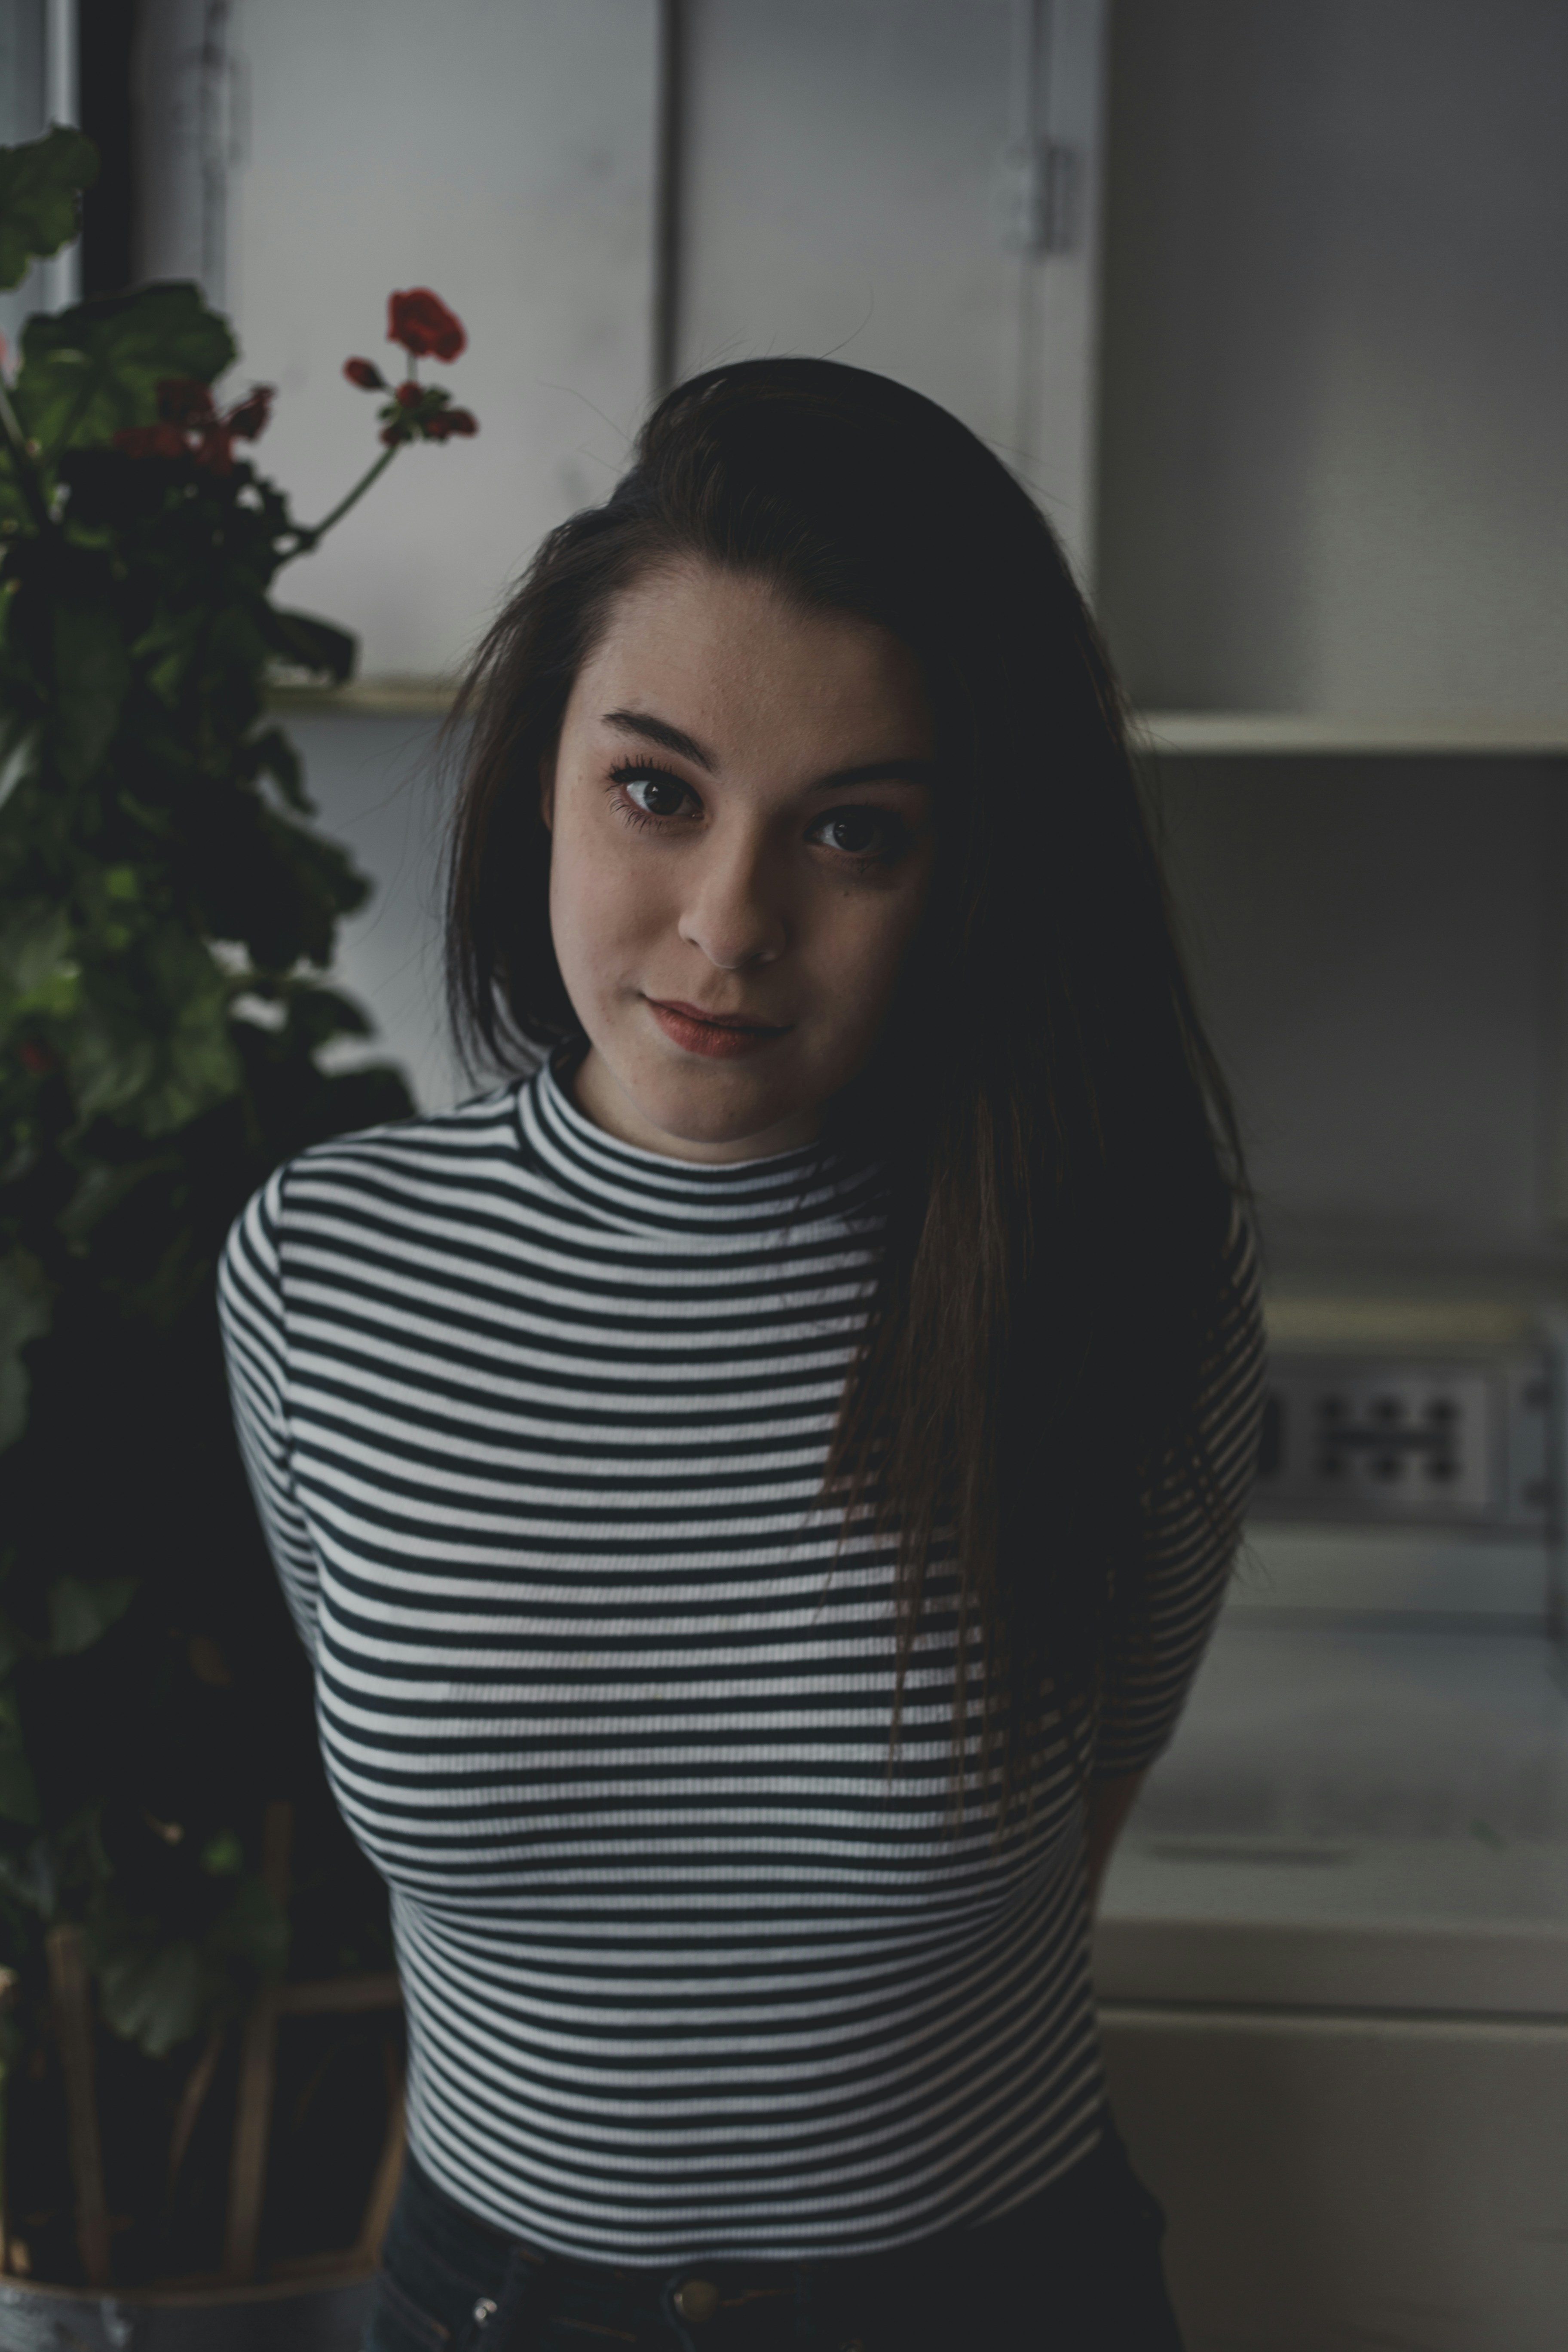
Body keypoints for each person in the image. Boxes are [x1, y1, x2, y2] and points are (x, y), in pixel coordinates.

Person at [219, 359, 1264, 2351]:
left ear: (967, 874)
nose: (727, 923)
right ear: (544, 766)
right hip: (493, 2308)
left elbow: (1079, 1824)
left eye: (853, 836)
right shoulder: (321, 1272)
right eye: (654, 789)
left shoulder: (1132, 1275)